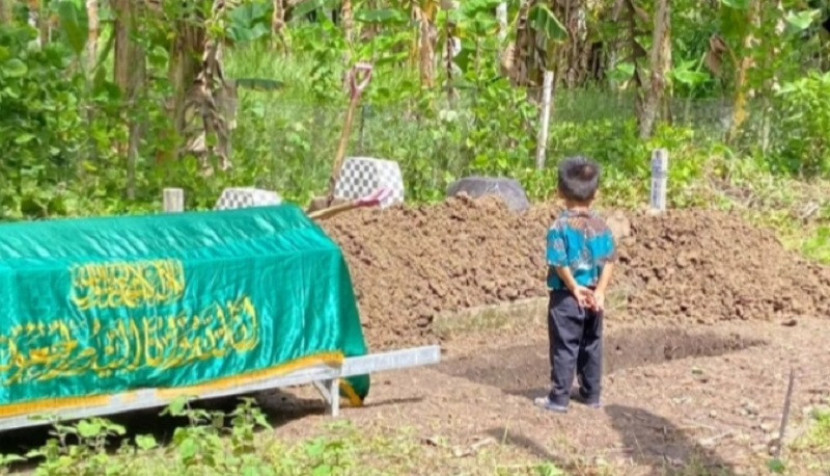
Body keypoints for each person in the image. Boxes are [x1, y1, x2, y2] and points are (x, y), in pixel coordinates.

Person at [535, 156, 617, 413]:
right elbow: (609, 260)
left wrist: (573, 287)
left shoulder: (559, 227)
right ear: (596, 193)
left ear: (560, 191)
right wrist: (600, 291)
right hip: (595, 298)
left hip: (567, 299)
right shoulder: (602, 226)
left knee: (564, 347)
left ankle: (559, 398)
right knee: (591, 345)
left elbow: (559, 261)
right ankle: (591, 394)